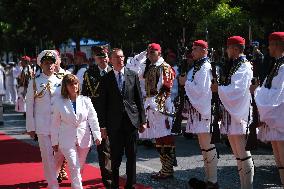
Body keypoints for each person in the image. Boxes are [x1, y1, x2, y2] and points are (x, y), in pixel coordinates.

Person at [99, 48, 146, 189]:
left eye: (121, 57)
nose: (120, 59)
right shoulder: (106, 79)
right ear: (111, 60)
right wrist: (103, 127)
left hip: (131, 122)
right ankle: (114, 184)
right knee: (116, 157)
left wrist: (142, 120)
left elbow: (139, 99)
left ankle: (130, 185)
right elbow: (103, 105)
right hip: (114, 125)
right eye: (116, 57)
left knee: (131, 157)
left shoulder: (133, 75)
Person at [212, 36, 254, 189]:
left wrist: (219, 89)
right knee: (238, 154)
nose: (226, 51)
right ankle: (243, 185)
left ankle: (247, 187)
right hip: (231, 112)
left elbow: (237, 90)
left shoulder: (243, 66)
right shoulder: (234, 65)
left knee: (243, 153)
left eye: (228, 48)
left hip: (239, 113)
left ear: (235, 49)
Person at [51, 74, 102, 189]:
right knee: (74, 165)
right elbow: (55, 124)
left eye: (75, 83)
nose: (74, 86)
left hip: (84, 137)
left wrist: (97, 135)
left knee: (79, 165)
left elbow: (93, 118)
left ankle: (75, 183)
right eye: (70, 84)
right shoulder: (59, 102)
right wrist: (54, 141)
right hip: (66, 139)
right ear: (65, 87)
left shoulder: (86, 100)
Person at [179, 40, 218, 188]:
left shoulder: (205, 67)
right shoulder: (198, 66)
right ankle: (209, 180)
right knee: (204, 147)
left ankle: (213, 181)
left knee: (208, 146)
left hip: (204, 111)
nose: (192, 52)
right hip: (198, 111)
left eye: (195, 49)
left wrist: (185, 83)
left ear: (203, 50)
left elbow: (202, 91)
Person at [26, 50, 65, 189]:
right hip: (42, 126)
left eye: (52, 63)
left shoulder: (61, 80)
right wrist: (30, 127)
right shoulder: (35, 82)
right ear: (41, 65)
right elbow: (29, 105)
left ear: (55, 65)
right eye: (46, 63)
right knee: (48, 157)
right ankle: (53, 184)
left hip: (59, 125)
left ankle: (53, 176)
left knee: (60, 154)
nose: (49, 66)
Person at [143, 43, 177, 179]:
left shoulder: (165, 67)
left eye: (153, 53)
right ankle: (164, 168)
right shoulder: (151, 67)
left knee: (165, 137)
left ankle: (168, 169)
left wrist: (157, 106)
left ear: (159, 53)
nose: (150, 55)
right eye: (149, 53)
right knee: (158, 137)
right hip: (152, 107)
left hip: (162, 108)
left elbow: (166, 88)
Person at [255, 32, 284, 186]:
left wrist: (257, 91)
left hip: (281, 119)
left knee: (282, 158)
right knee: (279, 159)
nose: (268, 48)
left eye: (270, 44)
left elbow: (278, 95)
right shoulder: (277, 65)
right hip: (276, 119)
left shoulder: (283, 66)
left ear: (277, 45)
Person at [81, 46, 113, 188]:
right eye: (99, 57)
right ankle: (108, 180)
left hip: (115, 114)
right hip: (98, 116)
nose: (103, 59)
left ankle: (115, 175)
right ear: (94, 58)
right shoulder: (90, 74)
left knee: (116, 148)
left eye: (105, 56)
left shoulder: (115, 71)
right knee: (104, 149)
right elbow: (84, 96)